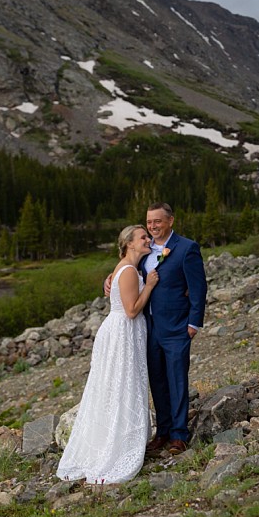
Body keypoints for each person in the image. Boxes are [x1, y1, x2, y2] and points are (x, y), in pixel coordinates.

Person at [57, 225, 159, 484]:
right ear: (129, 243)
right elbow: (132, 310)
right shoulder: (127, 271)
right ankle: (115, 447)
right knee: (120, 385)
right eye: (143, 237)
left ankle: (120, 438)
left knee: (121, 385)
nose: (148, 239)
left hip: (124, 333)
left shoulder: (128, 267)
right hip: (121, 333)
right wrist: (148, 286)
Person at [106, 202, 207, 457]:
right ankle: (162, 432)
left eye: (157, 222)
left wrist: (193, 323)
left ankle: (179, 435)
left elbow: (198, 288)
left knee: (177, 380)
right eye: (149, 223)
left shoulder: (187, 248)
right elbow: (127, 269)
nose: (153, 227)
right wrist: (109, 279)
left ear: (171, 221)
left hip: (176, 327)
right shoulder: (146, 249)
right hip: (147, 328)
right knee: (157, 381)